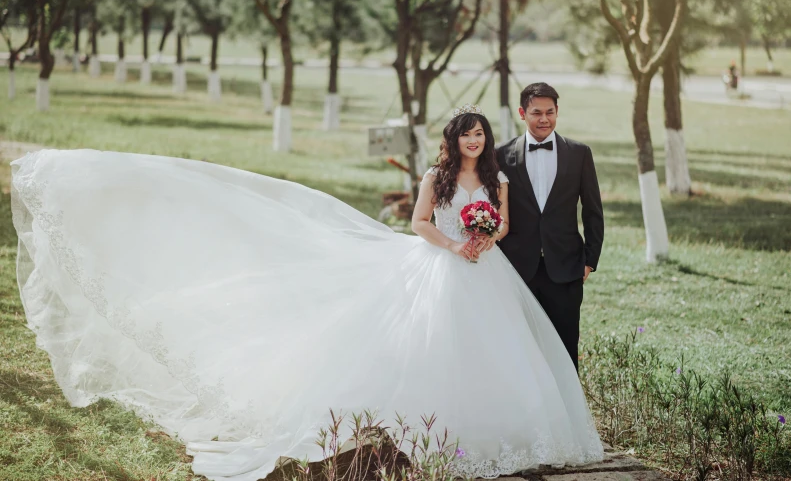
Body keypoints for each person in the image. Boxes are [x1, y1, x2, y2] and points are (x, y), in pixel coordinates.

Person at [10, 105, 602, 481]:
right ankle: (422, 436)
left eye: (480, 134)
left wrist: (486, 238)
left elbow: (502, 222)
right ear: (455, 138)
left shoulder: (496, 177)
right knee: (429, 347)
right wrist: (453, 246)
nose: (474, 141)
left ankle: (500, 436)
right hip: (441, 267)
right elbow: (420, 223)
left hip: (486, 272)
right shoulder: (435, 178)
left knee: (497, 353)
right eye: (467, 134)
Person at [495, 83, 604, 372]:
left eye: (550, 112)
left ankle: (568, 415)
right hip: (517, 268)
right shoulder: (500, 155)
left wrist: (590, 261)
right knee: (519, 348)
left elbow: (593, 211)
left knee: (565, 349)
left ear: (557, 112)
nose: (544, 119)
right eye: (536, 113)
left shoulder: (579, 153)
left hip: (566, 268)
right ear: (522, 113)